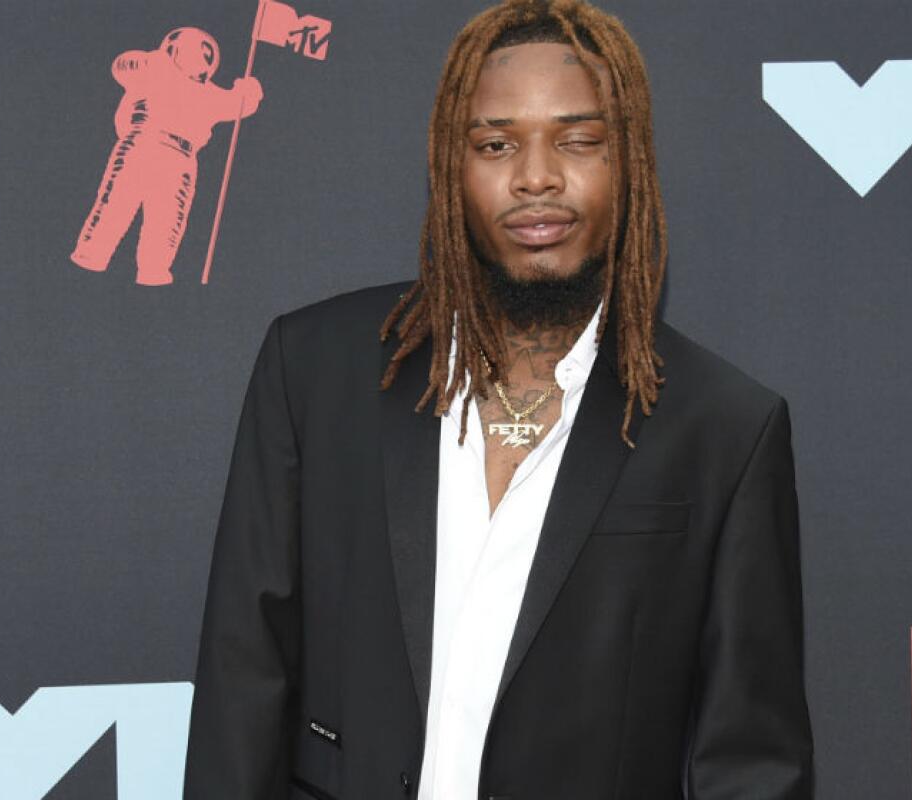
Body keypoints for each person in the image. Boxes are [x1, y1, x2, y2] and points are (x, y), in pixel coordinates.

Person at [182, 1, 812, 798]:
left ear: (633, 165)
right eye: (496, 143)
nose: (537, 175)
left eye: (580, 140)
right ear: (453, 165)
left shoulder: (725, 429)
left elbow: (750, 763)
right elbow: (244, 683)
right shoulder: (314, 370)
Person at [70, 28, 263, 286]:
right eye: (198, 50)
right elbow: (121, 66)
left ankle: (153, 271)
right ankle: (91, 256)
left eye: (207, 54)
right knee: (117, 203)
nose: (202, 58)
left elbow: (236, 105)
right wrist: (153, 60)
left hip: (180, 158)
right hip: (142, 142)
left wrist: (248, 92)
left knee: (167, 219)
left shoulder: (208, 93)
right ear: (175, 48)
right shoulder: (153, 69)